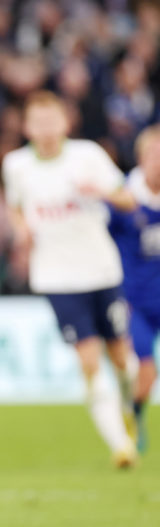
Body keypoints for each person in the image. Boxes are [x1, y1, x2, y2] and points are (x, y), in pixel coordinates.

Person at [2, 90, 140, 468]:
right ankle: (121, 445)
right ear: (27, 126)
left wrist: (100, 191)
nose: (46, 129)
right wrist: (21, 231)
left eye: (52, 120)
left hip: (101, 270)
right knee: (90, 360)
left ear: (66, 122)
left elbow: (128, 199)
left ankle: (129, 413)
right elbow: (15, 206)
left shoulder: (88, 156)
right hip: (57, 278)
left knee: (122, 360)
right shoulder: (16, 165)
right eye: (38, 122)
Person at [108, 124, 160, 454]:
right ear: (141, 158)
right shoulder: (123, 198)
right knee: (145, 371)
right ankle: (134, 415)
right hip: (135, 301)